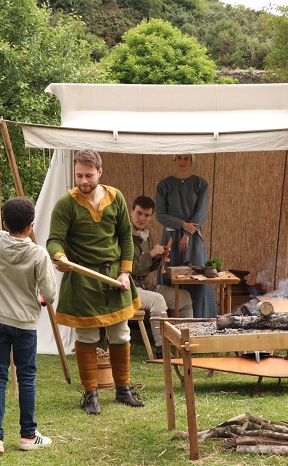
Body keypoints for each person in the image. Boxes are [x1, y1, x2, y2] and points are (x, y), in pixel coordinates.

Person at [47, 149, 144, 415]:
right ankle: (90, 394)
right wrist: (59, 256)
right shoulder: (66, 204)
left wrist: (124, 273)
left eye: (89, 175)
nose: (83, 180)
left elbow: (125, 237)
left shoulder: (116, 197)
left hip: (113, 278)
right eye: (79, 175)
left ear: (100, 173)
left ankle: (123, 390)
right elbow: (53, 239)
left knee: (120, 334)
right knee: (87, 336)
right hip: (82, 280)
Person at [0, 197, 57, 455]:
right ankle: (27, 435)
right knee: (26, 377)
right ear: (31, 226)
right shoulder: (38, 253)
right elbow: (49, 291)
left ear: (4, 222)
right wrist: (42, 297)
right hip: (25, 323)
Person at [130, 195, 193, 358]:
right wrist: (151, 254)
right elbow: (127, 268)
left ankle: (186, 342)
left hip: (146, 285)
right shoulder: (124, 234)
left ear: (151, 216)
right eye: (139, 213)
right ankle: (161, 349)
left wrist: (158, 258)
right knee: (157, 300)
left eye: (146, 215)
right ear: (131, 212)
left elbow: (147, 267)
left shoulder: (145, 234)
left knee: (185, 298)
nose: (142, 218)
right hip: (129, 288)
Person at [156, 153, 218, 318]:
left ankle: (200, 319)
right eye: (179, 157)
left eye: (186, 158)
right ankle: (168, 322)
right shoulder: (164, 185)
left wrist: (187, 234)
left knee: (196, 278)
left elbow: (201, 213)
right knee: (170, 278)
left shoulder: (201, 184)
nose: (182, 161)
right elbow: (160, 215)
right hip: (170, 240)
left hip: (193, 239)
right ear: (174, 159)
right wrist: (182, 225)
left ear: (192, 160)